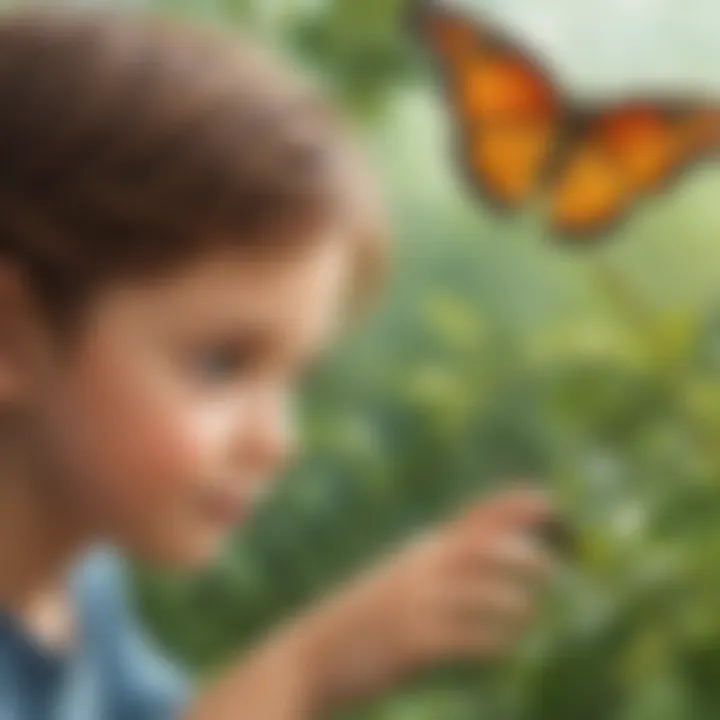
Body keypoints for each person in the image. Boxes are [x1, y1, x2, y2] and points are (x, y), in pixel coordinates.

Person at [0, 6, 559, 719]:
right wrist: (307, 669)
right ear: (10, 334)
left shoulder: (75, 579)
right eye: (220, 366)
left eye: (296, 377)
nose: (277, 440)